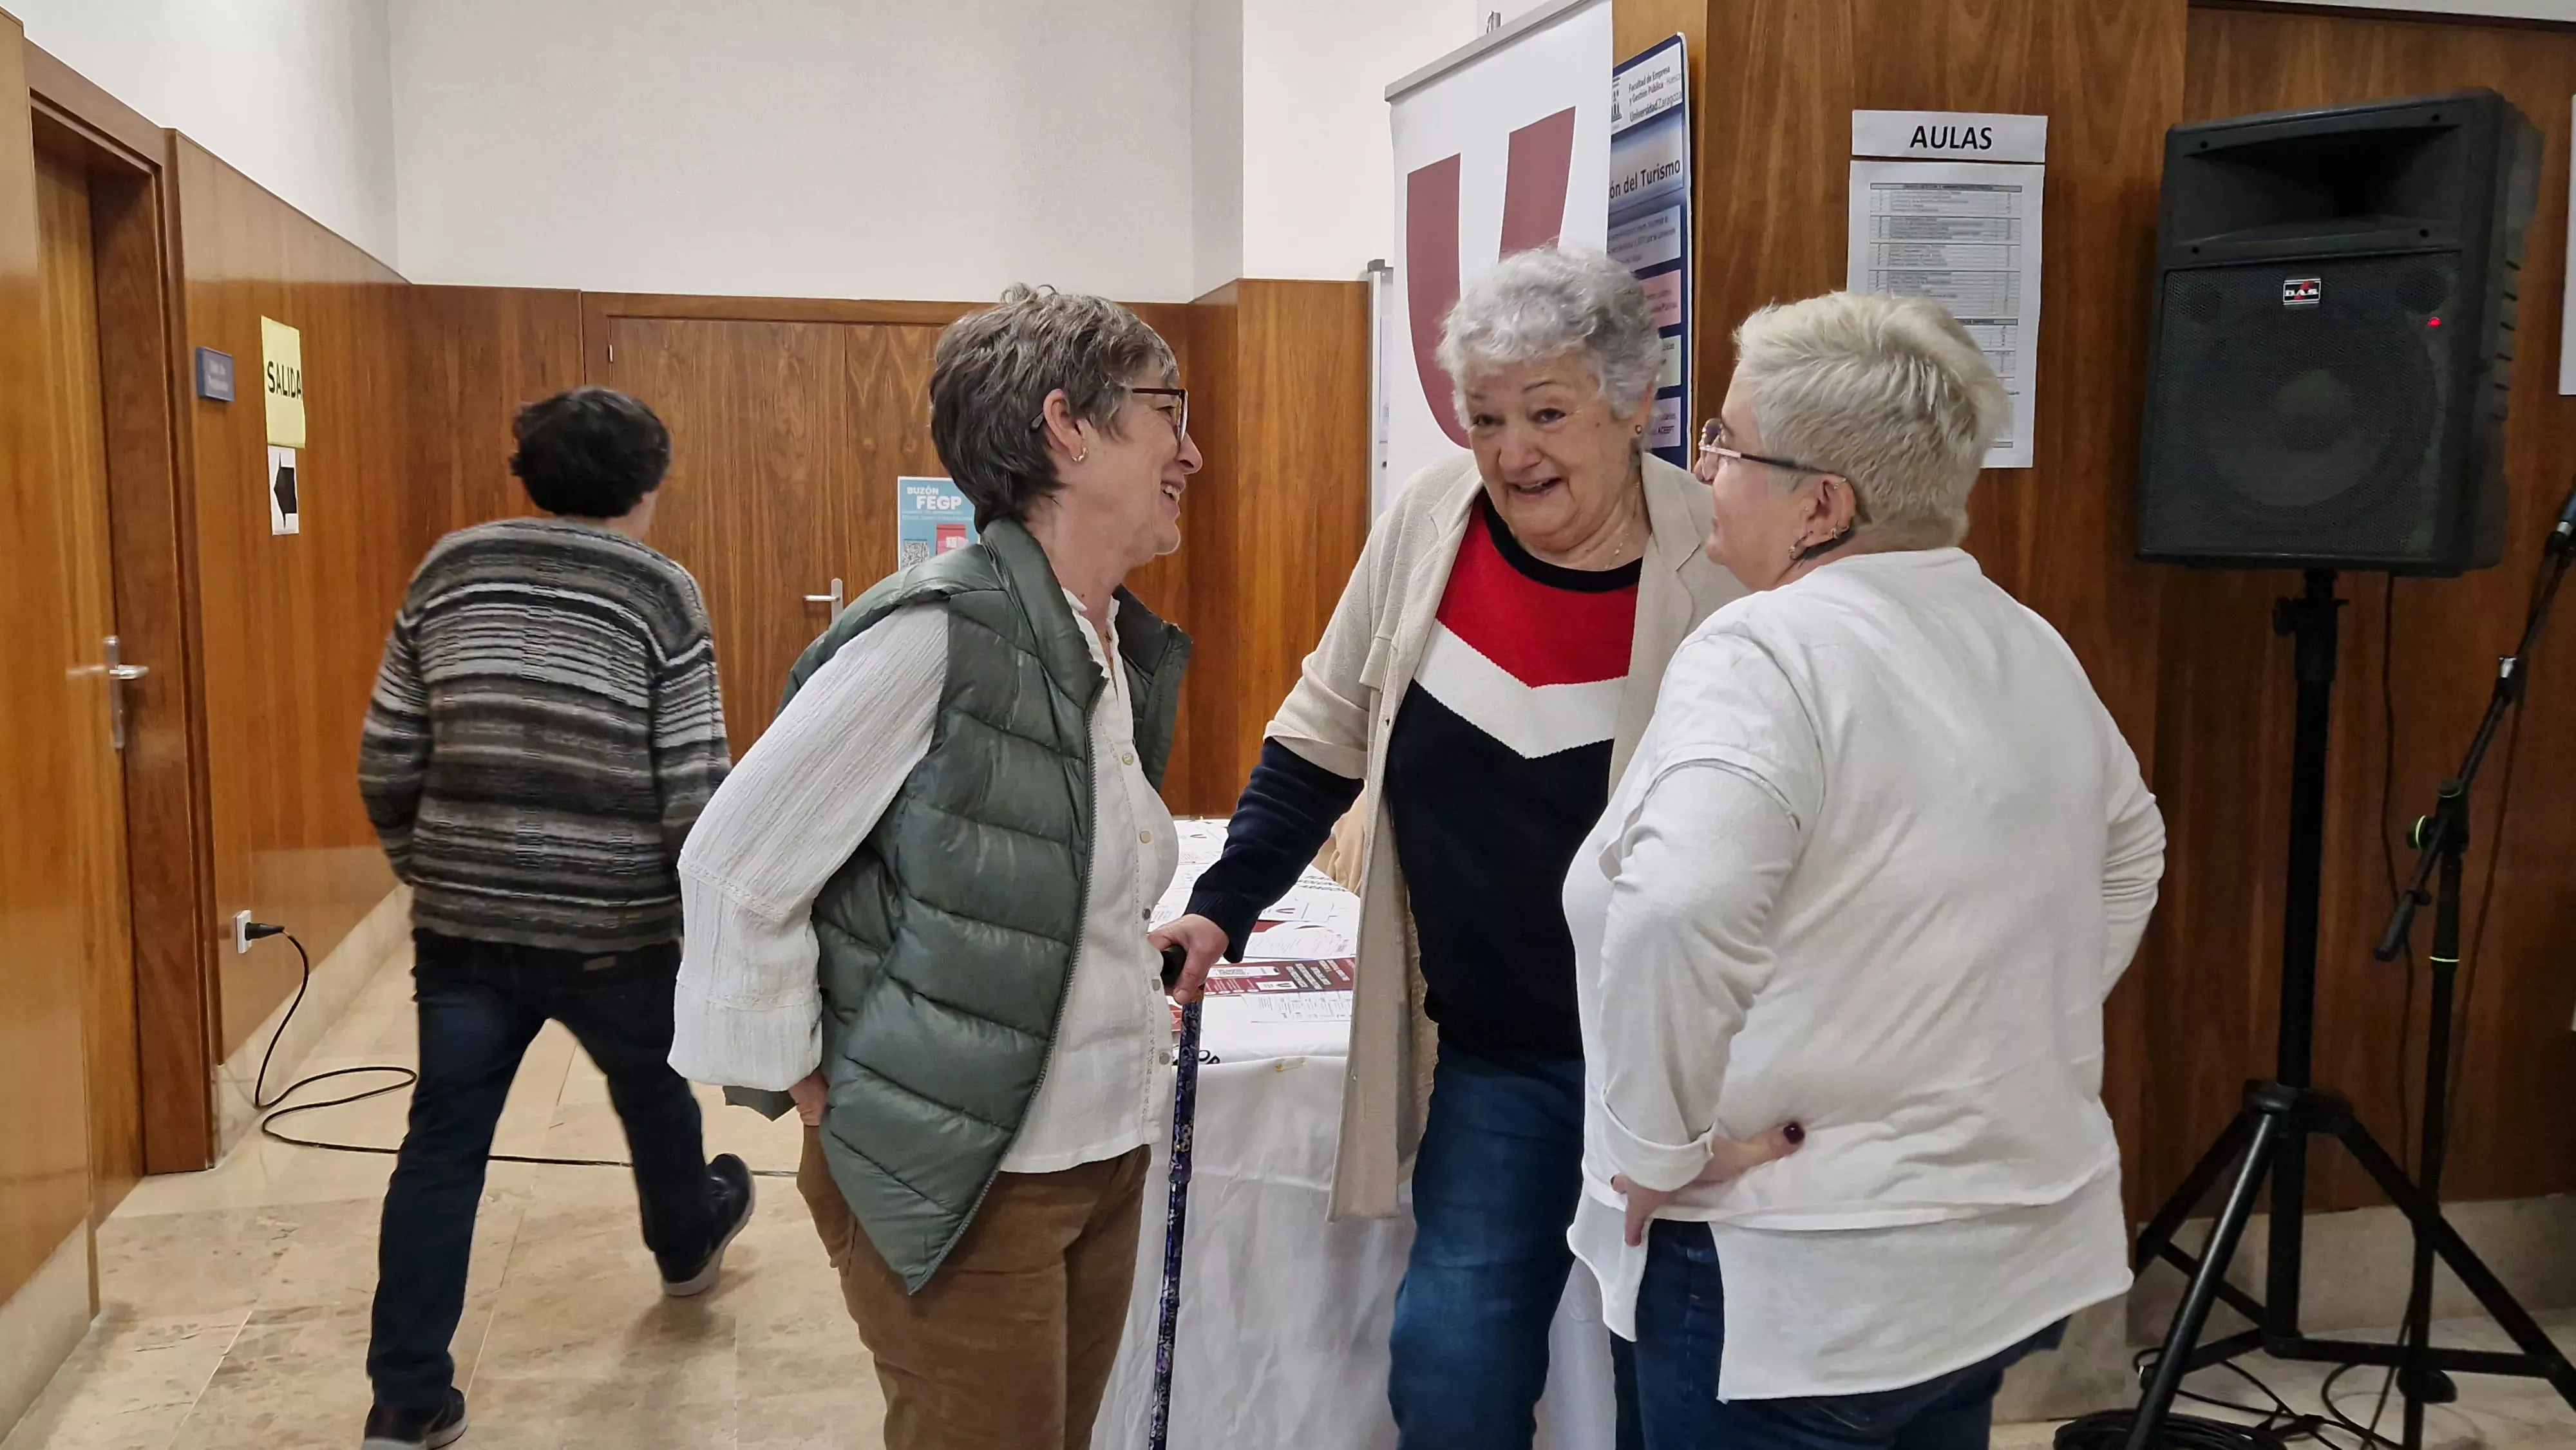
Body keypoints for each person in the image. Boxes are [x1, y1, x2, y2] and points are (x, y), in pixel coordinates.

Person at [1154, 246, 1741, 1448]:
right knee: (1451, 1366)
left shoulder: (1716, 564)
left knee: (1675, 1392)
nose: (1513, 450)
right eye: (1485, 417)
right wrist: (1224, 904)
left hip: (1685, 1067)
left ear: (1634, 403)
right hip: (1501, 1060)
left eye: (1548, 413)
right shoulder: (1431, 522)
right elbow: (1322, 737)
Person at [1562, 290, 2168, 1450]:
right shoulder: (2023, 638)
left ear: (1820, 506)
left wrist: (1652, 1153)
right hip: (1987, 1259)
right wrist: (1991, 1036)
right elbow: (2130, 852)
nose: (1701, 468)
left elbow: (1678, 908)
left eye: (1726, 445)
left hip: (1795, 1271)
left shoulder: (1766, 649)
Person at [667, 285, 1203, 1450]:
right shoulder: (941, 631)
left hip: (1095, 1145)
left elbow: (1018, 853)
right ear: (1070, 427)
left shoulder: (1100, 633)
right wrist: (804, 1081)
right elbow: (732, 866)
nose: (1191, 452)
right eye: (1169, 412)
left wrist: (1107, 941)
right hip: (967, 1177)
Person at [355, 386, 751, 1450]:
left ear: (524, 474)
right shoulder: (662, 594)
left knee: (443, 1144)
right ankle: (685, 1242)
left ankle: (405, 1397)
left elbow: (388, 753)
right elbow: (693, 788)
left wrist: (429, 873)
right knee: (653, 1088)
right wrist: (702, 924)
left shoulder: (451, 568)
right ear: (653, 481)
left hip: (464, 928)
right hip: (613, 924)